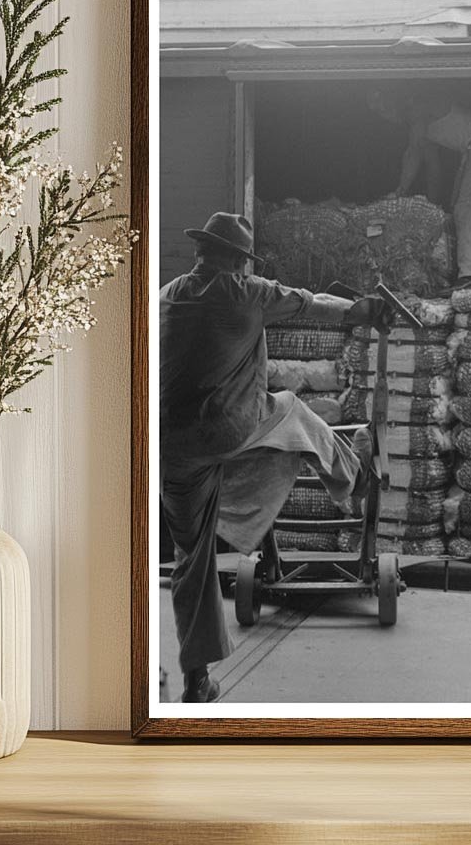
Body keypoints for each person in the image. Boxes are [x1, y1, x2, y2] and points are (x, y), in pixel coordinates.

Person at [160, 212, 388, 703]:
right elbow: (318, 307)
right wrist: (365, 310)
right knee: (291, 408)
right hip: (227, 429)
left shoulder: (169, 294)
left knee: (191, 559)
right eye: (244, 262)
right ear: (240, 261)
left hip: (170, 444)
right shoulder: (246, 293)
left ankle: (196, 680)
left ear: (201, 252)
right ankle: (353, 478)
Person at [366, 88, 471, 290]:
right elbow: (433, 167)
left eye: (384, 108)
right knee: (468, 209)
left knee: (466, 209)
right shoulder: (420, 123)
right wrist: (433, 206)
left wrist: (400, 190)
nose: (385, 115)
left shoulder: (418, 107)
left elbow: (413, 152)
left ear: (394, 101)